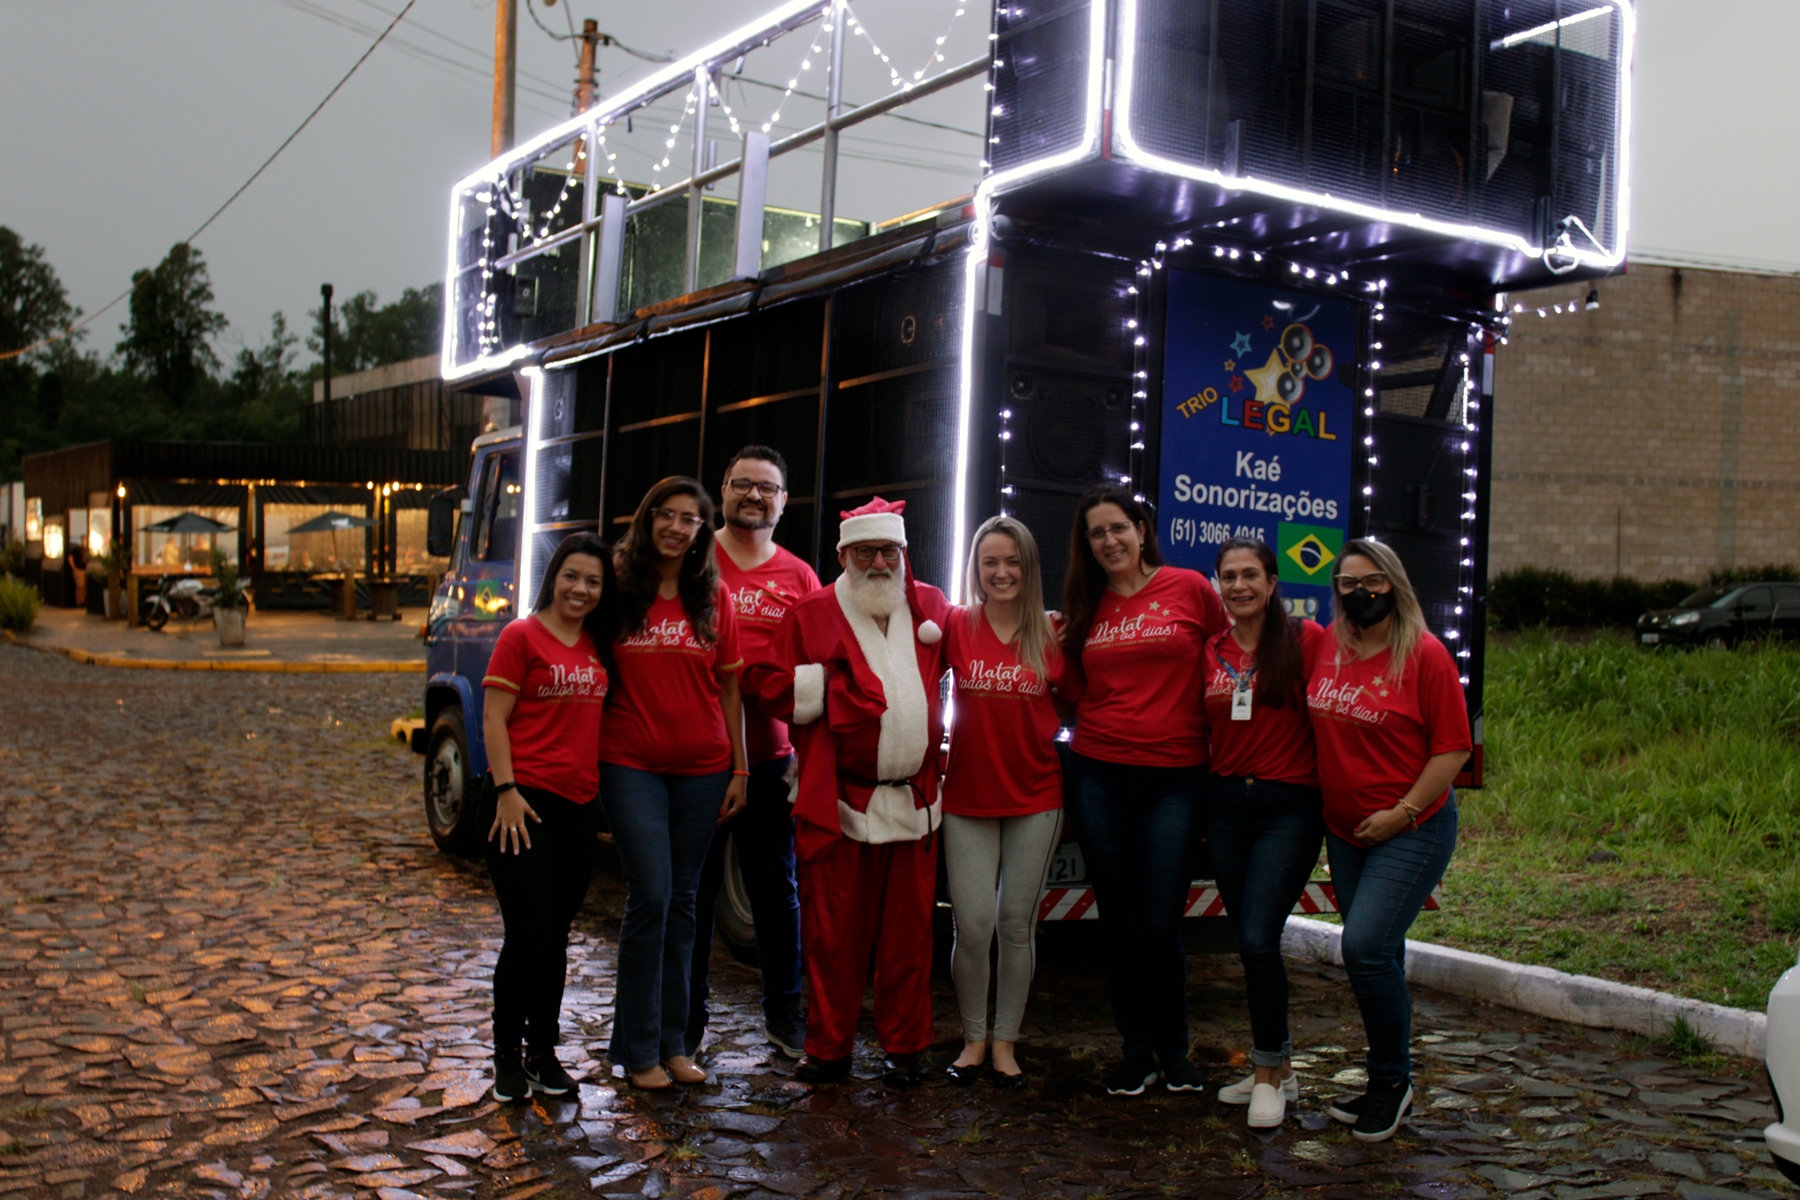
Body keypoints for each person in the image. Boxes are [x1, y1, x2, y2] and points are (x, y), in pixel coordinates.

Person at [742, 497, 951, 1087]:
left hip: (914, 801)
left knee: (910, 937)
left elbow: (983, 653)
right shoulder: (810, 612)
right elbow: (766, 682)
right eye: (867, 552)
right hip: (839, 802)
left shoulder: (932, 606)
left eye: (889, 551)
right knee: (834, 935)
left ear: (904, 554)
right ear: (843, 556)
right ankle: (828, 1049)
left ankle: (905, 1048)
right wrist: (831, 688)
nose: (880, 562)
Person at [1059, 485, 1227, 1096]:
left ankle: (1174, 1048)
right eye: (1096, 533)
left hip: (1176, 778)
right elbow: (1070, 691)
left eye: (1118, 528)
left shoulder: (1190, 590)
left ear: (1141, 528)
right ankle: (1136, 1051)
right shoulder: (1084, 607)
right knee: (1119, 915)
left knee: (1158, 918)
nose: (1109, 541)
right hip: (1098, 773)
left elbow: (1231, 661)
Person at [1307, 538, 1471, 1142]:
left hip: (1413, 826)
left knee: (1365, 948)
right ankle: (1385, 1080)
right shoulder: (1328, 644)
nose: (1360, 594)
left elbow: (1452, 748)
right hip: (1347, 830)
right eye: (1348, 584)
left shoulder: (1426, 656)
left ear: (1394, 584)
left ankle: (1393, 1081)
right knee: (1384, 955)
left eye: (1372, 581)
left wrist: (1401, 813)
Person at [602, 478, 749, 1091]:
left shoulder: (714, 598)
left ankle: (676, 1044)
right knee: (653, 896)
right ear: (648, 517)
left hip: (703, 768)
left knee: (687, 905)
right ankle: (638, 1051)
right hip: (630, 762)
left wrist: (740, 767)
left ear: (700, 532)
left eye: (691, 519)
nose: (677, 526)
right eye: (667, 513)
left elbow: (730, 687)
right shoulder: (615, 589)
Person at [687, 447, 820, 1061]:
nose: (755, 497)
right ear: (723, 489)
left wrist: (804, 748)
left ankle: (784, 1013)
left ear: (784, 501)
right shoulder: (691, 560)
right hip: (697, 762)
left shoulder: (800, 577)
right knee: (697, 893)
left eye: (768, 488)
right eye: (743, 485)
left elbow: (818, 670)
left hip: (771, 760)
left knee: (777, 892)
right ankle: (685, 1022)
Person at [480, 532, 619, 1102]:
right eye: (571, 576)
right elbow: (493, 718)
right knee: (528, 935)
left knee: (557, 937)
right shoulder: (521, 636)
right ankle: (506, 1058)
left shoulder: (599, 644)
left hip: (580, 808)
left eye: (593, 581)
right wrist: (505, 790)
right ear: (553, 577)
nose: (581, 589)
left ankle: (543, 1054)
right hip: (524, 806)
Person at [1201, 538, 1328, 1128]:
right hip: (1226, 806)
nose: (1239, 586)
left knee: (1257, 938)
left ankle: (1270, 1071)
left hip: (1289, 806)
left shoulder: (1307, 642)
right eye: (1229, 577)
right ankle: (1279, 1070)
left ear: (1274, 582)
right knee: (1246, 942)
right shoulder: (1211, 650)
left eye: (1251, 574)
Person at [941, 516, 1064, 1090]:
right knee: (973, 925)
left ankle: (1006, 1041)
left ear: (1029, 567)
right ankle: (972, 1039)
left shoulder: (1052, 632)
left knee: (1017, 925)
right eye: (990, 561)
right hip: (966, 797)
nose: (1001, 572)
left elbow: (1092, 701)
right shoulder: (955, 626)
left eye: (1012, 561)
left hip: (1036, 798)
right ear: (976, 569)